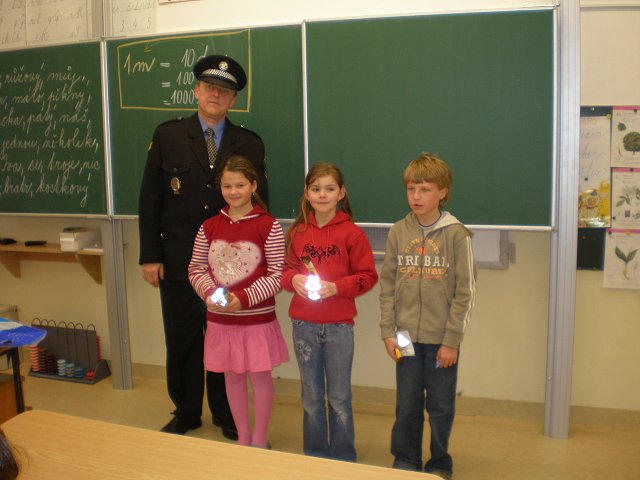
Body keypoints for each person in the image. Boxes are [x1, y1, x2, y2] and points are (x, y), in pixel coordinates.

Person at [138, 54, 268, 438]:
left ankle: (227, 414)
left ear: (234, 100)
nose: (216, 95)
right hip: (179, 260)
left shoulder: (249, 143)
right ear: (196, 91)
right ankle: (186, 411)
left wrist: (257, 266)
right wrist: (150, 256)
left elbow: (260, 207)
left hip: (231, 265)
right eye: (210, 87)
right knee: (182, 339)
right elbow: (150, 199)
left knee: (225, 340)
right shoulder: (168, 136)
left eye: (225, 91)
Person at [378, 152, 477, 480]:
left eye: (424, 189)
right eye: (411, 189)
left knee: (440, 406)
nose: (416, 196)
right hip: (404, 337)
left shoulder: (457, 235)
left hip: (441, 340)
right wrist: (387, 331)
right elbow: (387, 285)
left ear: (442, 192)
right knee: (406, 403)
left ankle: (439, 462)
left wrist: (452, 341)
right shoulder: (398, 231)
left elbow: (465, 292)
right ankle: (406, 459)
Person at [187, 156, 288, 448]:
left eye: (240, 185)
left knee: (260, 378)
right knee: (232, 378)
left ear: (253, 186)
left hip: (257, 320)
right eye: (227, 186)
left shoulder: (269, 226)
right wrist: (210, 294)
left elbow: (277, 274)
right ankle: (243, 437)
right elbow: (196, 269)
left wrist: (242, 299)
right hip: (221, 321)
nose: (233, 191)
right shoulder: (209, 226)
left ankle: (259, 439)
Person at [281, 162, 378, 462]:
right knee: (311, 396)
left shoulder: (353, 234)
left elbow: (368, 276)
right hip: (304, 325)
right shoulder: (298, 232)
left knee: (339, 397)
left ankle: (343, 456)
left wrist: (337, 288)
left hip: (339, 327)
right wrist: (293, 280)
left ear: (341, 193)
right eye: (316, 189)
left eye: (329, 188)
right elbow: (284, 272)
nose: (322, 195)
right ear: (307, 193)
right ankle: (314, 454)